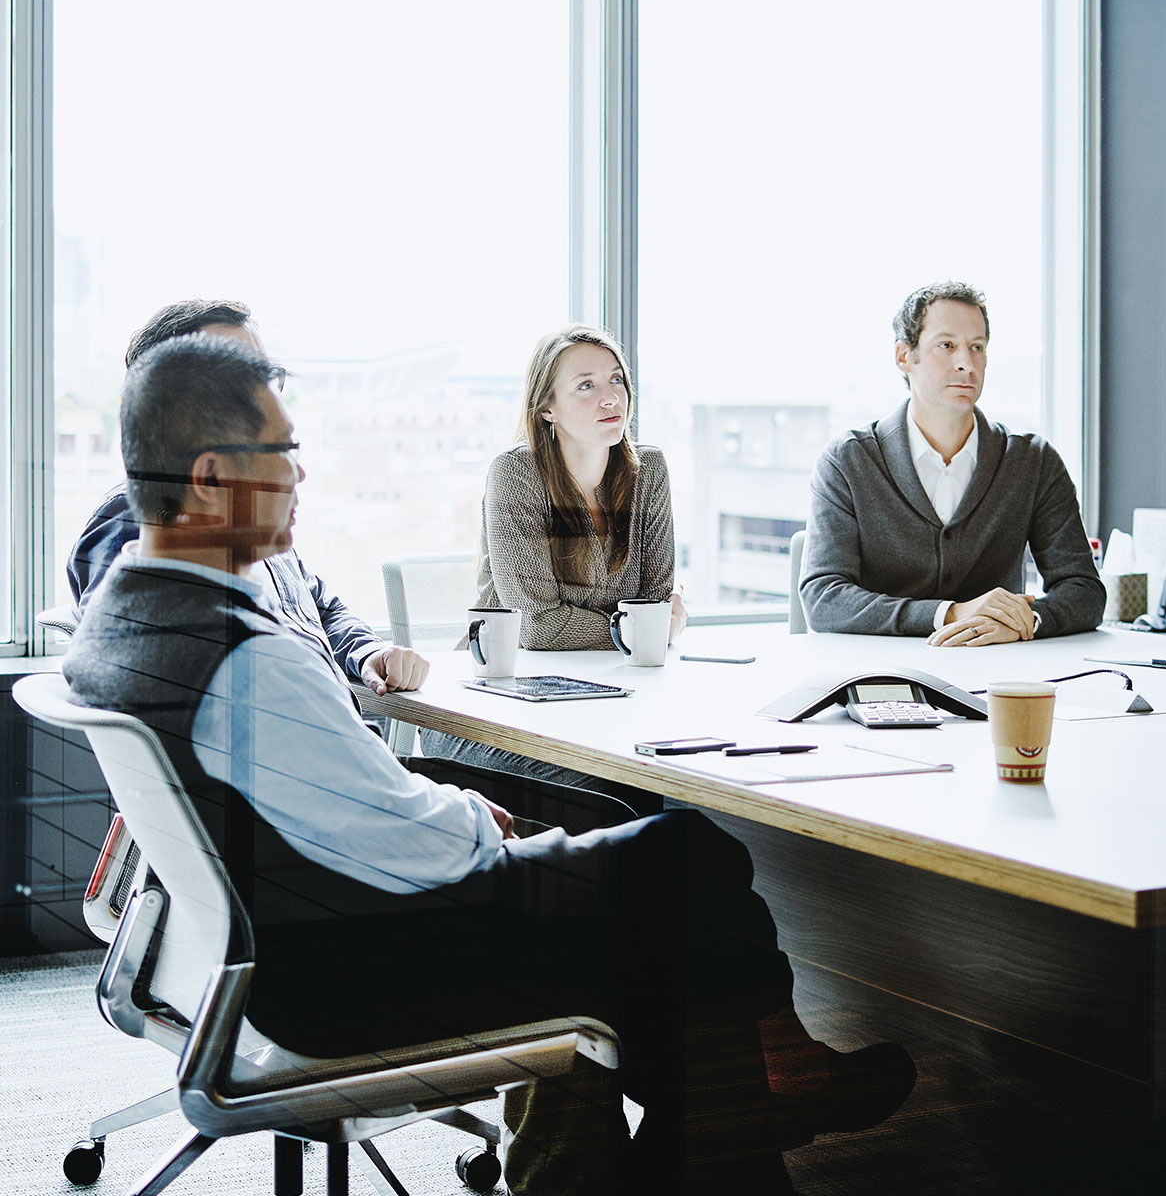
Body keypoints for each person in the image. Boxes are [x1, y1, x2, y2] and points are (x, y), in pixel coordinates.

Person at [64, 335, 914, 1194]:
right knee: (685, 857)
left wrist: (452, 809)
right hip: (347, 969)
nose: (302, 477)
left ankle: (695, 1132)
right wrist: (474, 815)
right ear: (210, 477)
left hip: (275, 941)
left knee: (640, 875)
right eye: (284, 452)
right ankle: (735, 1121)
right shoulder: (246, 655)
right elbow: (415, 845)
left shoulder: (132, 615)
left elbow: (340, 802)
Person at [69, 298, 427, 698]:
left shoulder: (246, 516)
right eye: (238, 374)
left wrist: (366, 651)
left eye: (264, 373)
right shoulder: (139, 515)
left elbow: (319, 606)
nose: (261, 391)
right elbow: (130, 663)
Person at [419, 325, 683, 786]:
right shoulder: (516, 474)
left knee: (674, 771)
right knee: (617, 785)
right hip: (489, 709)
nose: (610, 398)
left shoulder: (648, 471)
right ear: (547, 409)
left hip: (606, 698)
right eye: (586, 385)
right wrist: (641, 631)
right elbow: (538, 627)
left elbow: (655, 605)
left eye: (616, 379)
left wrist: (645, 628)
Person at [800, 281, 1104, 645]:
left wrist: (1026, 620)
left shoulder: (1032, 461)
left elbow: (1085, 590)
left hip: (996, 673)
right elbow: (824, 598)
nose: (966, 363)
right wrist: (952, 613)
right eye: (947, 346)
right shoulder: (848, 461)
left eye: (977, 347)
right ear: (904, 356)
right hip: (882, 677)